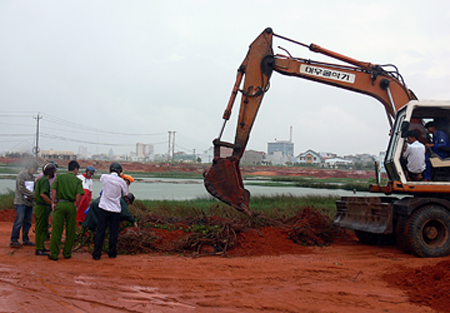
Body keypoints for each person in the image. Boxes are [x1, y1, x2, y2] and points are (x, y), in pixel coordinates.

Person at [49, 160, 84, 261]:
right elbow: (78, 195)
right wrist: (76, 206)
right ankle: (67, 252)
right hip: (70, 205)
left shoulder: (60, 177)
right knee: (70, 231)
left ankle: (54, 254)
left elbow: (54, 190)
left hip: (60, 204)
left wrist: (53, 202)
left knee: (56, 230)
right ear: (76, 169)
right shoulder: (77, 181)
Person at [92, 162, 129, 260]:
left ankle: (97, 253)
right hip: (115, 210)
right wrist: (123, 178)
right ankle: (112, 253)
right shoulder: (121, 181)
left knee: (100, 231)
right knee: (113, 232)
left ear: (110, 170)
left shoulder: (104, 177)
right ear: (120, 171)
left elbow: (102, 180)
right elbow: (126, 193)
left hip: (103, 208)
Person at [10, 160, 39, 247]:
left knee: (28, 221)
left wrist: (32, 195)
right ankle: (14, 239)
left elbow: (34, 188)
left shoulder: (32, 177)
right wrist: (33, 195)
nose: (34, 171)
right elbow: (21, 188)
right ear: (30, 167)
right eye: (34, 169)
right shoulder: (21, 175)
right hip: (21, 202)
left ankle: (25, 239)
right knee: (19, 220)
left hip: (29, 203)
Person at [34, 163, 57, 256]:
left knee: (43, 227)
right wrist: (51, 202)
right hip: (42, 206)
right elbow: (43, 194)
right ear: (50, 172)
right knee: (40, 227)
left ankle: (41, 246)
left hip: (40, 206)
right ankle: (39, 248)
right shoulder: (45, 181)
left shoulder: (41, 179)